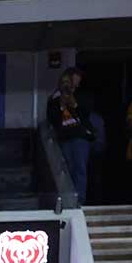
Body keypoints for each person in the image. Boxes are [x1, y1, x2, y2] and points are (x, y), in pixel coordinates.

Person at [48, 70, 94, 204]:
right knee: (67, 169)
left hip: (79, 137)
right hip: (65, 137)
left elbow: (86, 113)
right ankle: (68, 200)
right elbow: (52, 118)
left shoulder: (81, 95)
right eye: (66, 82)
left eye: (73, 83)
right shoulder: (55, 98)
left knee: (80, 167)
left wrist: (73, 102)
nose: (72, 85)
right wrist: (61, 105)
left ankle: (80, 200)